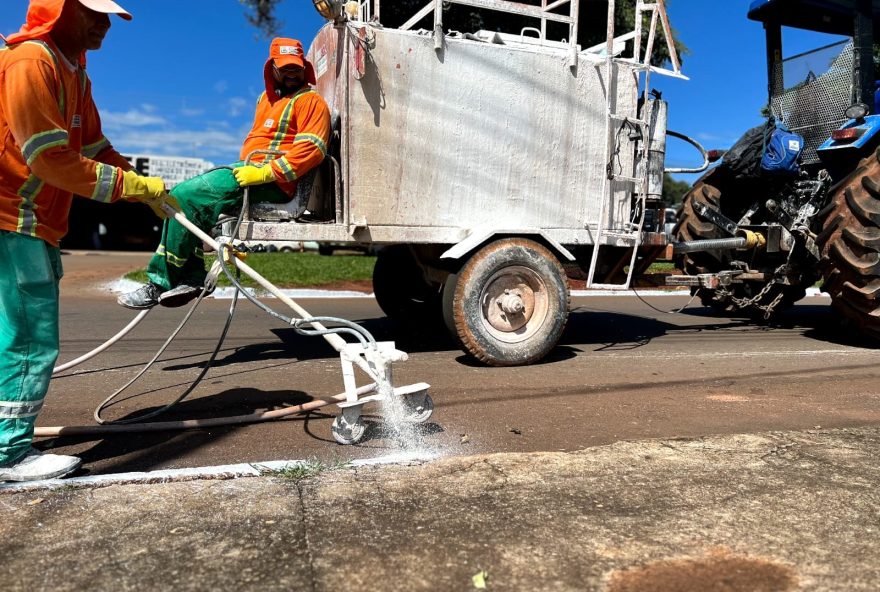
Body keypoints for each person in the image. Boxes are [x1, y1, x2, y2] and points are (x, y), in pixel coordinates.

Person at [0, 0, 177, 482]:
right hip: (14, 218)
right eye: (93, 13)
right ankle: (8, 455)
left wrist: (146, 188)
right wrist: (132, 189)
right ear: (58, 11)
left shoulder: (73, 70)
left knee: (13, 337)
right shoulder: (31, 61)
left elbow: (95, 147)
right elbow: (49, 159)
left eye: (108, 16)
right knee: (29, 341)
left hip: (30, 222)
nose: (104, 24)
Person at [118, 37, 331, 309]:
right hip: (249, 171)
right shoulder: (265, 100)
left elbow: (313, 149)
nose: (292, 74)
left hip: (274, 182)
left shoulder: (311, 101)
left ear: (305, 68)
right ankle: (190, 276)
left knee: (185, 195)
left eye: (296, 68)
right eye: (285, 68)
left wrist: (266, 173)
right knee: (184, 199)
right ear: (272, 69)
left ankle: (160, 283)